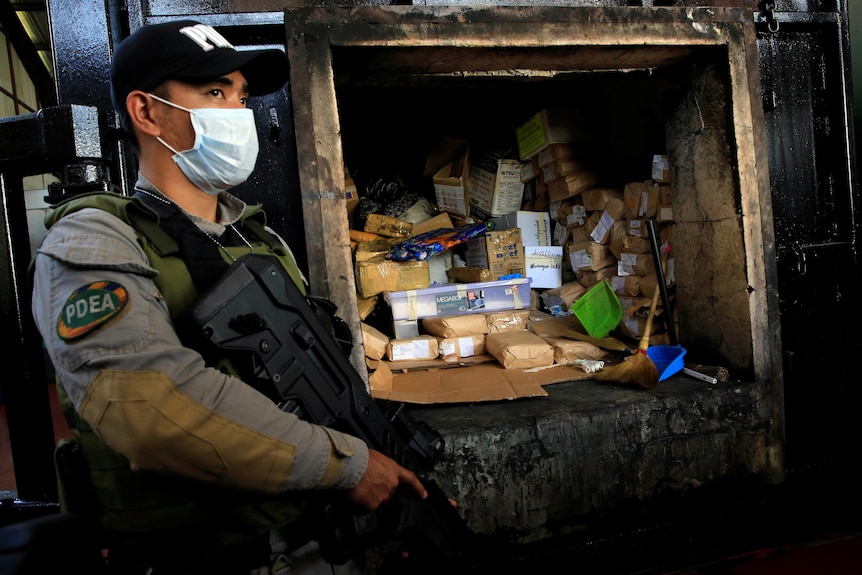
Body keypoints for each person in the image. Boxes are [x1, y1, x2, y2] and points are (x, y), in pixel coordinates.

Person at [31, 20, 427, 575]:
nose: (238, 113)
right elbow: (147, 411)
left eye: (241, 96)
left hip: (317, 536)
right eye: (215, 93)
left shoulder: (259, 239)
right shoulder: (95, 240)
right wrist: (349, 465)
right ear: (147, 113)